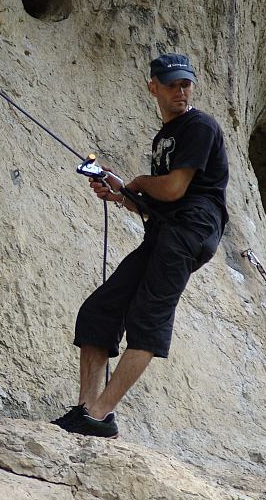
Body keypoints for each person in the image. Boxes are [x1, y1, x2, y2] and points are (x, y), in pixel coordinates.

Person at [52, 53, 229, 438]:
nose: (180, 91)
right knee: (100, 310)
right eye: (172, 85)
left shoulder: (199, 126)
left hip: (189, 231)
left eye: (186, 84)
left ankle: (99, 415)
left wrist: (137, 182)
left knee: (148, 321)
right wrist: (120, 194)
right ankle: (85, 411)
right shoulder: (164, 137)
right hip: (165, 230)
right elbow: (152, 204)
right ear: (154, 88)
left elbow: (173, 188)